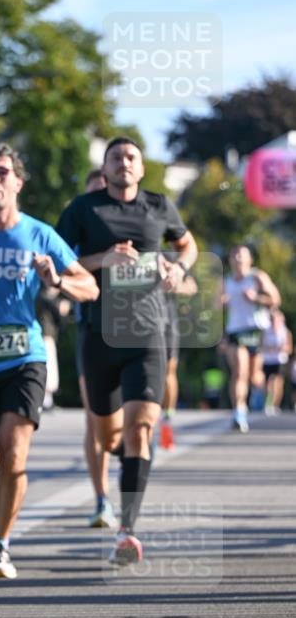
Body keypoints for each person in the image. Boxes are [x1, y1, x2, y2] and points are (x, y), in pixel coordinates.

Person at [0, 143, 98, 579]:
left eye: (2, 172)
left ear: (18, 181)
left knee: (14, 452)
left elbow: (90, 288)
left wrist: (58, 279)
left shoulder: (40, 234)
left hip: (26, 357)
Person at [57, 137, 198, 566]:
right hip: (99, 335)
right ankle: (121, 465)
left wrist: (178, 267)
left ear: (140, 167)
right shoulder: (85, 208)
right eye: (116, 157)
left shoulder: (159, 206)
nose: (124, 162)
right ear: (106, 166)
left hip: (148, 332)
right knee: (108, 437)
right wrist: (103, 259)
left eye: (131, 157)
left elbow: (187, 245)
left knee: (140, 429)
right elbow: (59, 257)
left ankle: (128, 528)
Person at [75, 169, 118, 529]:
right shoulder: (79, 226)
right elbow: (66, 266)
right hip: (91, 328)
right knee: (94, 418)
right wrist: (102, 259)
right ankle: (102, 498)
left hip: (136, 331)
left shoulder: (134, 224)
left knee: (128, 424)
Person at [221, 245, 280, 432]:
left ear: (249, 260)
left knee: (255, 377)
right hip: (235, 331)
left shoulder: (257, 277)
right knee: (239, 371)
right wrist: (219, 303)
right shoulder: (226, 281)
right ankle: (239, 411)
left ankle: (257, 393)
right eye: (235, 255)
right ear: (230, 260)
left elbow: (275, 299)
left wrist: (256, 298)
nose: (238, 259)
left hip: (255, 330)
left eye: (241, 255)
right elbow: (214, 306)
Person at [159, 255, 198, 450]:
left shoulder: (171, 257)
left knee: (169, 369)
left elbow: (192, 286)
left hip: (167, 322)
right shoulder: (135, 250)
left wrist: (172, 284)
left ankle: (167, 417)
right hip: (137, 322)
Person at [261, 309, 292, 415]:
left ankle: (275, 404)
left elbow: (289, 348)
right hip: (268, 360)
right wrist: (270, 348)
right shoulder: (266, 331)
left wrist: (282, 348)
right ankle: (268, 403)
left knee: (277, 383)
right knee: (267, 383)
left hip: (280, 360)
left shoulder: (285, 331)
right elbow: (261, 345)